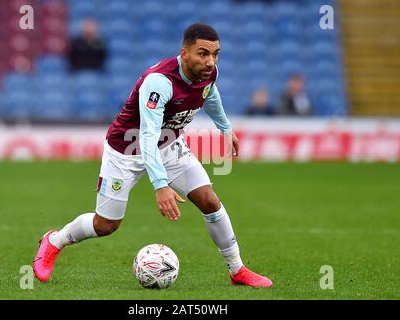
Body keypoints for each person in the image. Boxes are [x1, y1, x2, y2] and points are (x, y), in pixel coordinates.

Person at [33, 23, 273, 288]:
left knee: (209, 200)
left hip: (169, 145)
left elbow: (209, 94)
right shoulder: (159, 83)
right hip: (126, 150)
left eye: (216, 54)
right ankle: (54, 241)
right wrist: (160, 185)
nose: (210, 61)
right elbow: (146, 137)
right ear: (184, 53)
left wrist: (225, 128)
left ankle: (237, 269)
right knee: (106, 225)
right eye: (203, 53)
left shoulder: (209, 73)